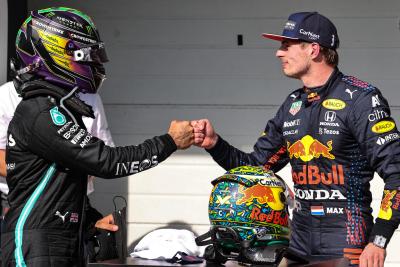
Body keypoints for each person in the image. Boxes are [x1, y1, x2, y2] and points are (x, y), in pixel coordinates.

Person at [192, 12, 400, 267]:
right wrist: (215, 144)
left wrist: (378, 241)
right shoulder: (293, 104)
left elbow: (397, 174)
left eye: (286, 45)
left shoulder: (362, 99)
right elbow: (257, 169)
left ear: (313, 49)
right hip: (297, 243)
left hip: (347, 243)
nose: (279, 53)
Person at [1, 7, 193, 267]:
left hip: (60, 239)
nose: (94, 63)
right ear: (57, 52)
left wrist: (90, 219)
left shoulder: (58, 107)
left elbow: (58, 185)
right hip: (36, 243)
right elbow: (106, 162)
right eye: (86, 55)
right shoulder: (40, 111)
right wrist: (169, 142)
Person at [0, 80, 114, 215]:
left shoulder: (89, 96)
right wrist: (49, 182)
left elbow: (101, 155)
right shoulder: (6, 94)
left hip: (73, 199)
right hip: (21, 198)